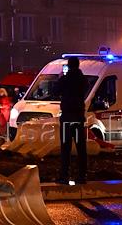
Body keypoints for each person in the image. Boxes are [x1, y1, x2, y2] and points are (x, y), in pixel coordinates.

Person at [56, 56, 89, 185]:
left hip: (67, 117)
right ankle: (82, 175)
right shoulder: (83, 80)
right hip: (79, 117)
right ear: (78, 65)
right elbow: (85, 90)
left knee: (65, 148)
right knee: (81, 148)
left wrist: (60, 79)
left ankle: (64, 175)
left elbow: (55, 90)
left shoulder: (64, 79)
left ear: (69, 66)